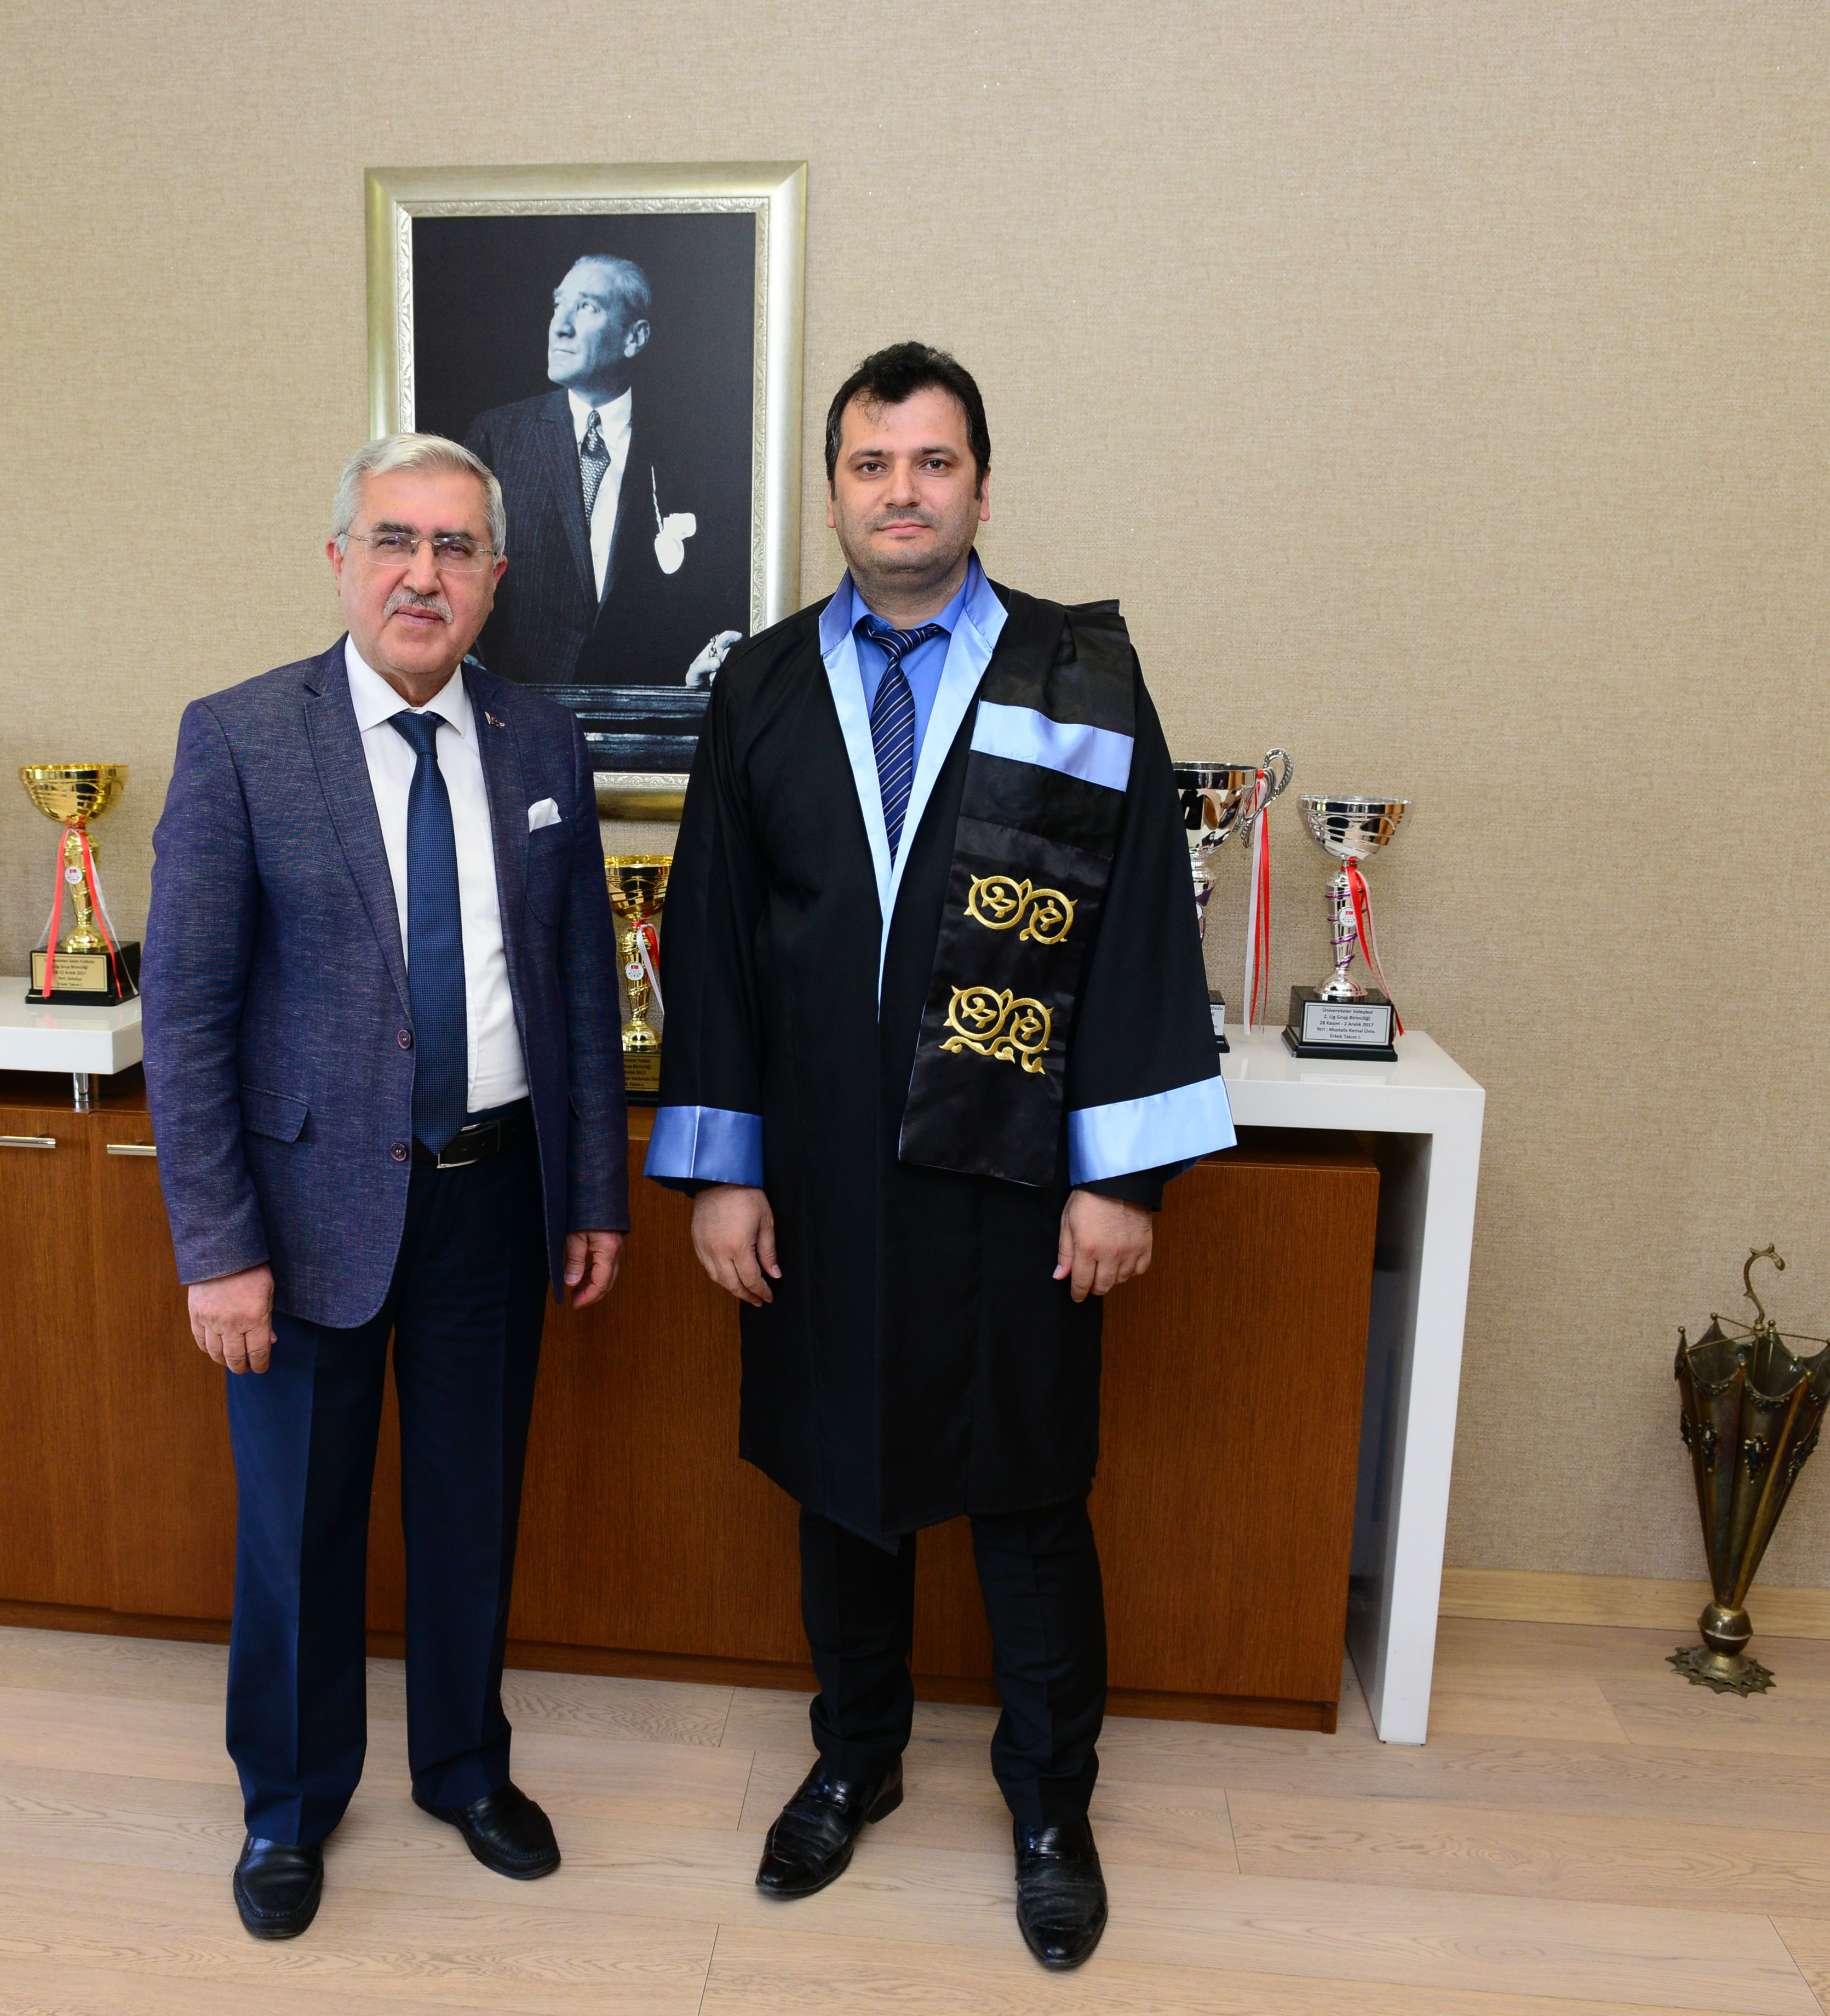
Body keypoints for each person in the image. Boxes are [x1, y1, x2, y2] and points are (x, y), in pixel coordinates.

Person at [648, 343, 1227, 1972]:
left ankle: (1050, 1804)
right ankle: (855, 1756)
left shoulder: (1076, 678)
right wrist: (723, 1167)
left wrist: (1119, 1176)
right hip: (821, 1172)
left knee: (1028, 1492)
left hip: (1014, 1172)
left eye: (931, 461)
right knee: (844, 1485)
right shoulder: (761, 684)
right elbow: (715, 936)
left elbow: (1135, 934)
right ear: (832, 490)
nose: (899, 491)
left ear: (980, 482)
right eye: (869, 463)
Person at [141, 433, 630, 1943]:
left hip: (495, 1192)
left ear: (494, 576)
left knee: (472, 1505)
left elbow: (578, 983)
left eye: (455, 546)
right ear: (341, 560)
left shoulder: (541, 742)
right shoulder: (241, 737)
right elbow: (187, 1011)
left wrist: (592, 1192)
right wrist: (215, 1246)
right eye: (395, 540)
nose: (425, 573)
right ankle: (289, 1806)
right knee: (299, 1525)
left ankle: (464, 1767)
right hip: (302, 1214)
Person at [463, 255, 742, 686]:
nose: (560, 326)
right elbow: (456, 565)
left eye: (587, 307)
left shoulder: (695, 449)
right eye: (559, 305)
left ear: (635, 337)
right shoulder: (498, 437)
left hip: (649, 708)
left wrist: (700, 664)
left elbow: (717, 589)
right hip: (516, 709)